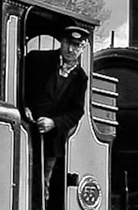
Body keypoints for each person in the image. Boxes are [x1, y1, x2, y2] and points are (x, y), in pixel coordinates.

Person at [22, 27, 89, 198]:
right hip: (25, 129)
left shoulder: (81, 78)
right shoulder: (37, 59)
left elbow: (76, 112)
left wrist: (54, 123)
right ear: (62, 42)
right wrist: (24, 106)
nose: (70, 49)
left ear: (83, 47)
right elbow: (17, 81)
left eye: (76, 46)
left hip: (51, 141)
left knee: (41, 187)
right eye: (67, 43)